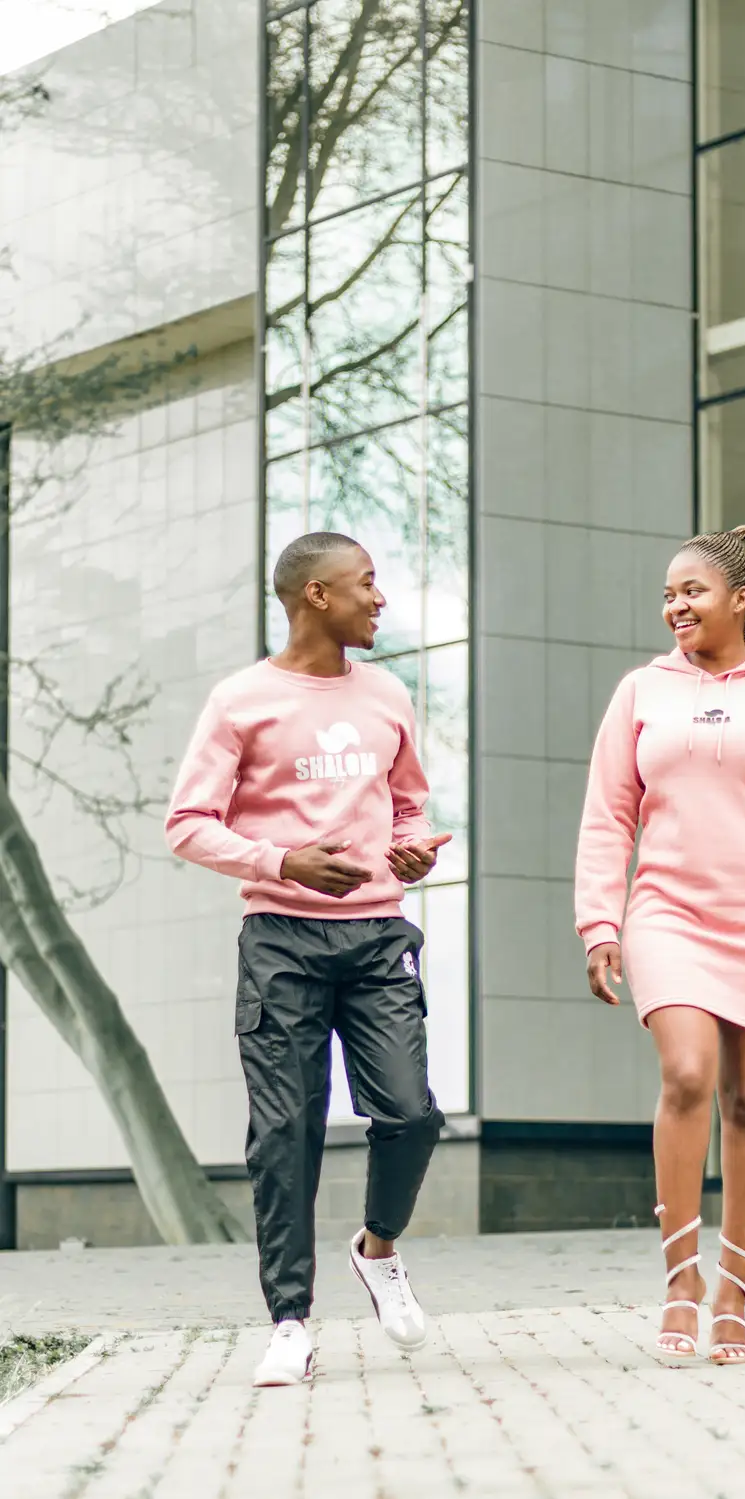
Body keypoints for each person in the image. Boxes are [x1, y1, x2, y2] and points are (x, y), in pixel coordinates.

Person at [165, 531, 449, 1387]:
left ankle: (379, 1251)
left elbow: (407, 808)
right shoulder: (240, 700)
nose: (381, 598)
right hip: (282, 940)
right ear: (316, 595)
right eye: (367, 583)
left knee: (410, 1113)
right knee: (284, 1134)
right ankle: (289, 1320)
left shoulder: (388, 693)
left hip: (375, 937)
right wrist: (280, 861)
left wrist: (411, 849)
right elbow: (188, 822)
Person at [574, 524, 745, 1365]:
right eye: (667, 594)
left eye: (690, 591)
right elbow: (606, 814)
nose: (674, 606)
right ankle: (680, 1280)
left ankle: (734, 1290)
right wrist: (599, 921)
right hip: (666, 910)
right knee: (688, 1072)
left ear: (741, 598)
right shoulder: (639, 692)